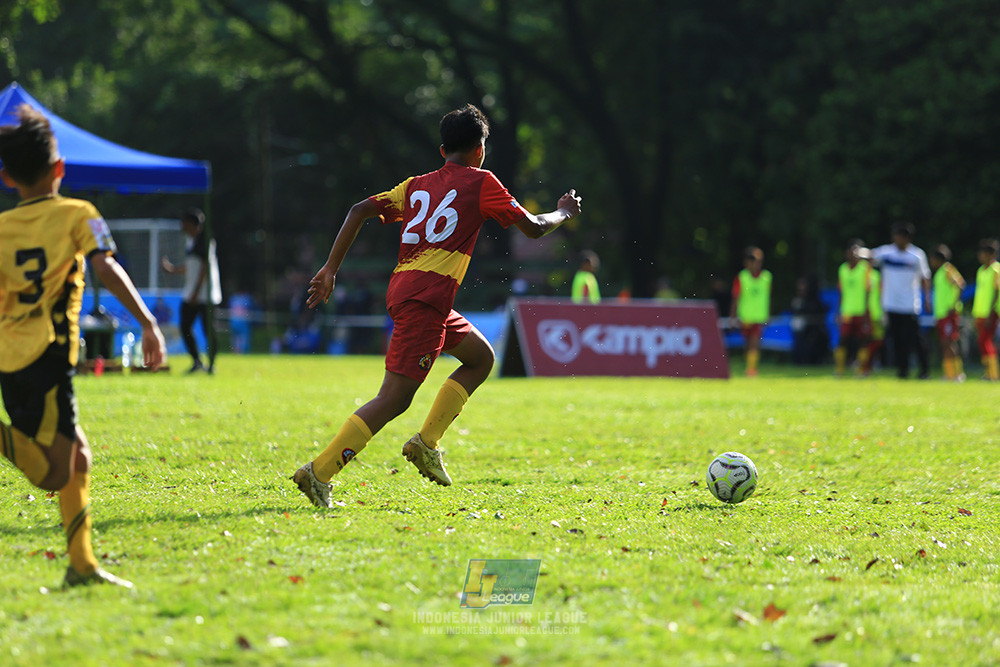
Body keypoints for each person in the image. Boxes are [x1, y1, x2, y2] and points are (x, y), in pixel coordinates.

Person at [291, 104, 581, 507]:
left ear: (443, 149)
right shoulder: (481, 181)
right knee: (394, 397)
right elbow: (533, 228)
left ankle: (426, 443)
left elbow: (360, 210)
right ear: (480, 150)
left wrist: (330, 268)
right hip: (426, 299)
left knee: (480, 358)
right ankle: (319, 472)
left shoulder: (416, 185)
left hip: (414, 293)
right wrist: (564, 212)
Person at [0, 105, 166, 588]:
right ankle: (82, 565)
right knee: (53, 474)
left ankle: (82, 564)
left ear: (8, 178)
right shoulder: (78, 213)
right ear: (59, 169)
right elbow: (105, 267)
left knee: (79, 461)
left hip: (12, 355)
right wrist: (148, 322)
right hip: (46, 356)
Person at [161, 207, 221, 373]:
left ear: (190, 223)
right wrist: (173, 270)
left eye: (183, 222)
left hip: (205, 294)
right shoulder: (191, 241)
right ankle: (197, 361)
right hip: (192, 293)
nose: (181, 225)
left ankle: (212, 364)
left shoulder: (206, 240)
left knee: (208, 329)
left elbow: (204, 268)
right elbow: (192, 266)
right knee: (185, 326)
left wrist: (196, 292)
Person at [870, 222, 931, 379]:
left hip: (910, 304)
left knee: (915, 340)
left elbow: (925, 278)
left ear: (906, 238)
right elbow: (869, 255)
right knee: (896, 340)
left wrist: (927, 299)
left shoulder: (917, 255)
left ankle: (924, 369)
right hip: (891, 303)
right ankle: (902, 371)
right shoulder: (887, 253)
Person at [730, 246, 771, 377]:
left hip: (759, 316)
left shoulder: (767, 277)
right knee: (748, 344)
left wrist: (768, 314)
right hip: (745, 316)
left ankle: (751, 370)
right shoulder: (742, 277)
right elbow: (736, 297)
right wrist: (733, 316)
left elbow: (768, 297)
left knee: (755, 342)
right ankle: (749, 366)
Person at [834, 240, 872, 376]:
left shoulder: (865, 268)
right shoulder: (843, 269)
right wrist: (837, 311)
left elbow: (868, 291)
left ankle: (861, 369)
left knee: (862, 340)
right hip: (847, 311)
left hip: (861, 311)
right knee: (843, 339)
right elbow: (841, 292)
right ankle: (839, 369)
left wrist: (867, 312)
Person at [929, 244, 965, 381]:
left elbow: (960, 285)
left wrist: (953, 304)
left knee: (950, 342)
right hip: (941, 314)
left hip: (949, 313)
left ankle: (957, 373)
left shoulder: (948, 270)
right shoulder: (939, 273)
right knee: (944, 343)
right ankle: (949, 373)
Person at [971, 238, 1000, 381]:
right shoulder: (981, 271)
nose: (980, 255)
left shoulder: (996, 269)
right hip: (980, 312)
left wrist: (991, 312)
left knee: (985, 340)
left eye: (982, 253)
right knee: (982, 342)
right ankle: (989, 373)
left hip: (991, 313)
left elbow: (996, 292)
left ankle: (993, 374)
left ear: (990, 254)